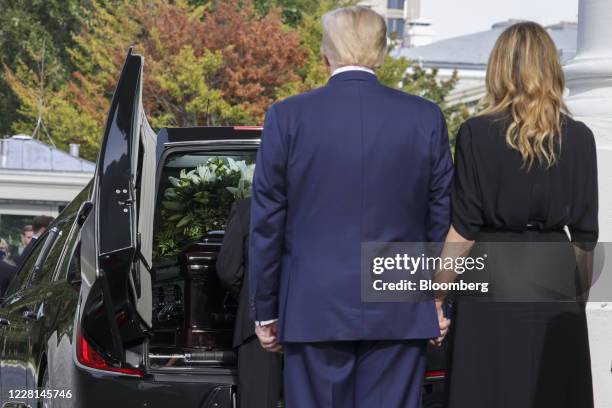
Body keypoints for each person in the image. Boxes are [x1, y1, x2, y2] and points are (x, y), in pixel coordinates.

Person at [249, 6, 452, 408]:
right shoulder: (426, 117)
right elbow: (440, 217)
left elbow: (268, 222)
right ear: (382, 54)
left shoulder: (287, 117)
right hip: (399, 302)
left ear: (326, 55)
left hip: (314, 303)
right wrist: (439, 301)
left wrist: (265, 309)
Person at [434, 22, 597, 408]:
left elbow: (464, 229)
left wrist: (436, 294)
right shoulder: (580, 137)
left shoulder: (476, 132)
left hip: (491, 275)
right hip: (556, 276)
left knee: (487, 391)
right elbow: (586, 238)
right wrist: (577, 302)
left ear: (499, 69)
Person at [216, 197, 282, 408]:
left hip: (258, 325)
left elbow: (228, 270)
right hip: (313, 326)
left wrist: (247, 294)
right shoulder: (320, 206)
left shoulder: (247, 208)